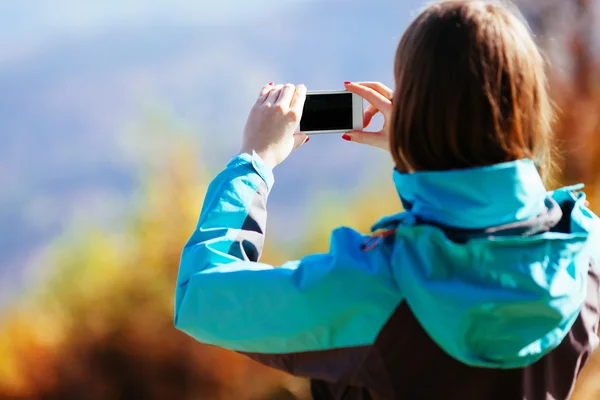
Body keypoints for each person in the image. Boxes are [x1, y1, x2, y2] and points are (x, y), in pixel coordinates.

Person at [174, 1, 600, 399]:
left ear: (414, 109)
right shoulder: (586, 253)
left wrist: (255, 160)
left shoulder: (371, 284)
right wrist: (428, 156)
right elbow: (506, 222)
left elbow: (200, 295)